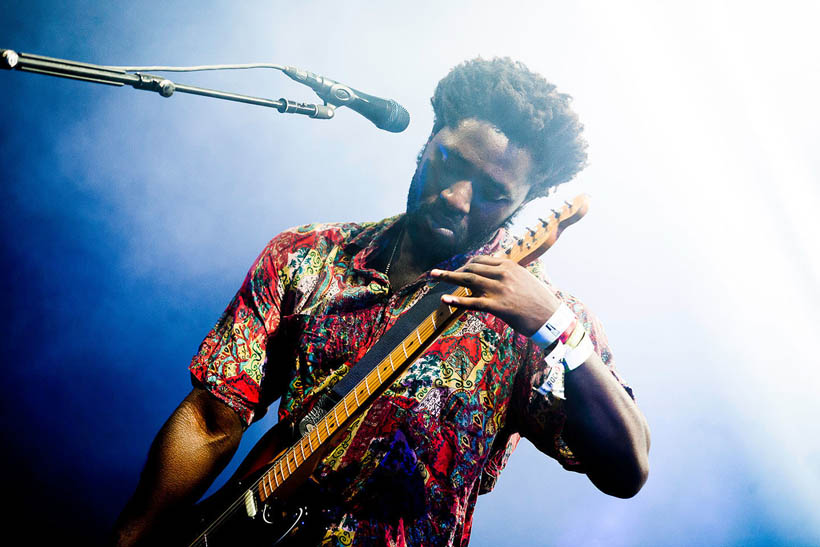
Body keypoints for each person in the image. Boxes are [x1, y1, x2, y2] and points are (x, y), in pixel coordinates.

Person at [112, 57, 650, 546]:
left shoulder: (536, 315)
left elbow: (627, 470)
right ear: (427, 141)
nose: (458, 197)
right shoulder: (308, 255)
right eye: (449, 163)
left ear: (524, 203)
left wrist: (555, 327)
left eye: (492, 193)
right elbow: (211, 420)